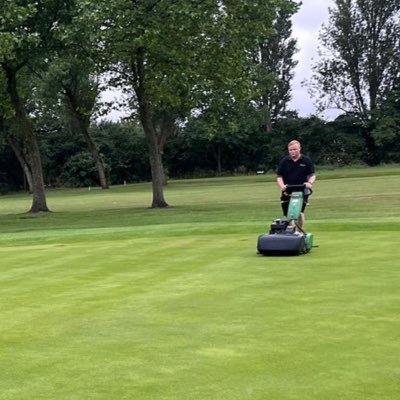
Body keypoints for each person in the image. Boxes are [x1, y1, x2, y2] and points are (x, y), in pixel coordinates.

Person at [276, 140, 316, 228]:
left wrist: (309, 183)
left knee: (299, 212)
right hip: (288, 189)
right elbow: (279, 176)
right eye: (290, 150)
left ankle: (299, 231)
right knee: (287, 214)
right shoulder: (285, 161)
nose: (292, 151)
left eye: (294, 149)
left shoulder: (306, 160)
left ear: (299, 149)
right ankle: (290, 231)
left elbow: (312, 175)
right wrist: (282, 186)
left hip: (302, 189)